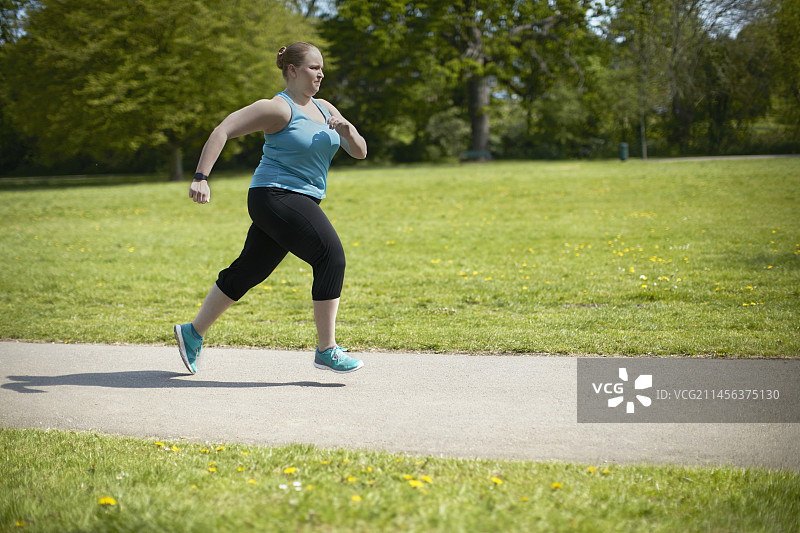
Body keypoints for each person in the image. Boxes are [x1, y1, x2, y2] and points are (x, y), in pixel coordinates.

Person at [174, 42, 367, 375]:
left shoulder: (325, 108)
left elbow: (360, 152)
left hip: (299, 199)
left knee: (250, 270)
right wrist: (201, 176)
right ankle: (327, 349)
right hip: (274, 195)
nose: (320, 73)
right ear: (292, 70)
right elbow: (223, 129)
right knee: (330, 256)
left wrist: (348, 130)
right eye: (312, 67)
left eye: (322, 68)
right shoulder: (279, 108)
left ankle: (192, 333)